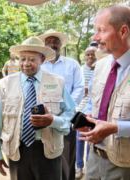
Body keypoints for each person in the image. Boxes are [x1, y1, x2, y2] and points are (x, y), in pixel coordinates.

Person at [0, 37, 75, 180]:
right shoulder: (5, 83)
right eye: (22, 59)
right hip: (17, 151)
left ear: (42, 60)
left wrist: (52, 120)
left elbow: (70, 112)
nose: (26, 64)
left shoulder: (57, 82)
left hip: (49, 151)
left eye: (32, 59)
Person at [78, 4, 130, 180]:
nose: (95, 37)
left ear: (123, 32)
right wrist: (86, 117)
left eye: (101, 30)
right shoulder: (100, 66)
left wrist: (115, 128)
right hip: (94, 158)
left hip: (124, 166)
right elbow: (93, 102)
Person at [39, 29, 84, 180]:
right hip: (43, 119)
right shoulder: (39, 65)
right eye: (49, 42)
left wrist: (66, 108)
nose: (52, 44)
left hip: (67, 118)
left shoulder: (72, 64)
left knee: (67, 159)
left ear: (60, 45)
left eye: (55, 42)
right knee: (44, 157)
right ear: (44, 45)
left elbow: (79, 87)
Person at [75, 46, 97, 179]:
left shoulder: (101, 69)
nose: (90, 57)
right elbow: (78, 89)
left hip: (94, 110)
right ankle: (79, 167)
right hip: (80, 110)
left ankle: (89, 163)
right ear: (84, 57)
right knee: (80, 139)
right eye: (88, 55)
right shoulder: (81, 70)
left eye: (93, 55)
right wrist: (88, 89)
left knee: (91, 138)